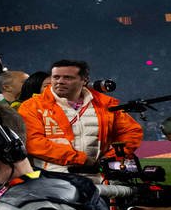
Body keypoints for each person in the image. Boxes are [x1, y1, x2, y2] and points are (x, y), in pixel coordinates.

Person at [17, 59, 145, 171]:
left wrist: (111, 157)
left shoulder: (105, 104)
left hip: (98, 177)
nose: (60, 82)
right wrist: (81, 160)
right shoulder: (32, 106)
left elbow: (131, 132)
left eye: (67, 78)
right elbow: (33, 143)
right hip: (53, 178)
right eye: (56, 77)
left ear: (84, 80)